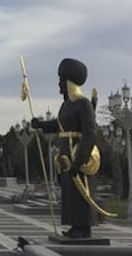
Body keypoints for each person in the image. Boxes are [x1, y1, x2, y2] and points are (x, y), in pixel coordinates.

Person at [31, 58, 98, 239]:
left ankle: (84, 227)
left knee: (80, 190)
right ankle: (75, 225)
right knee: (69, 191)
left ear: (69, 82)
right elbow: (59, 124)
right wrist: (41, 125)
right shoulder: (66, 105)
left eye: (61, 80)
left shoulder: (83, 104)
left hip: (78, 153)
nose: (59, 84)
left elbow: (90, 133)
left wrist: (81, 158)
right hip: (65, 154)